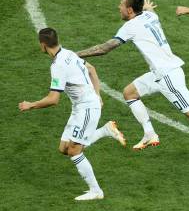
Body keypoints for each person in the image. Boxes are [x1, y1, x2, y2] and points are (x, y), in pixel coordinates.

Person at [77, 0, 189, 173]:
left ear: (130, 10)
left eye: (121, 5)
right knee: (130, 93)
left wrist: (75, 54)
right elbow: (149, 12)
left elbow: (104, 48)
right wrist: (147, 8)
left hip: (168, 77)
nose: (119, 7)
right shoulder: (149, 15)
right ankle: (149, 133)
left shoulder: (130, 26)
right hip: (160, 73)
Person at [19, 28, 126, 201]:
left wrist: (30, 105)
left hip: (86, 108)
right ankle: (106, 130)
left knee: (74, 151)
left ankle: (96, 191)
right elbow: (92, 69)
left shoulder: (57, 66)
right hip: (80, 108)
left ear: (43, 45)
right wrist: (98, 94)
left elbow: (53, 99)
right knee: (64, 148)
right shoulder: (68, 53)